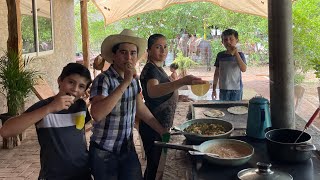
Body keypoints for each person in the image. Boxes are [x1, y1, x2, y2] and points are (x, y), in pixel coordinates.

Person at [89, 29, 167, 180]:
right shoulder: (103, 79)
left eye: (133, 53)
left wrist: (161, 130)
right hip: (104, 151)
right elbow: (97, 114)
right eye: (123, 52)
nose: (129, 57)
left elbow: (140, 107)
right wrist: (124, 82)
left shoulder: (133, 80)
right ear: (114, 55)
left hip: (127, 147)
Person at [0, 63, 93, 180]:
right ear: (60, 81)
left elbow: (82, 133)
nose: (75, 89)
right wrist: (50, 108)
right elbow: (6, 131)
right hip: (52, 175)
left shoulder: (81, 106)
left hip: (82, 174)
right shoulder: (43, 106)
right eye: (71, 82)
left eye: (81, 86)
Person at [139, 33, 206, 180]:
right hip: (153, 127)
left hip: (162, 124)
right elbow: (153, 91)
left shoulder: (158, 68)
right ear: (149, 50)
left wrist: (177, 96)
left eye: (165, 46)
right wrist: (182, 82)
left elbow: (164, 90)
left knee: (160, 164)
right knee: (154, 167)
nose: (163, 51)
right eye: (158, 47)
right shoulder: (150, 69)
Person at [212, 29, 247, 101]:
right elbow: (216, 73)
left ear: (237, 40)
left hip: (236, 89)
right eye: (225, 40)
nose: (228, 42)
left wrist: (236, 53)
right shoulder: (220, 55)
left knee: (236, 108)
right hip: (223, 88)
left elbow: (243, 69)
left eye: (231, 39)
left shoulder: (240, 55)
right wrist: (214, 89)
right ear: (222, 42)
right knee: (223, 108)